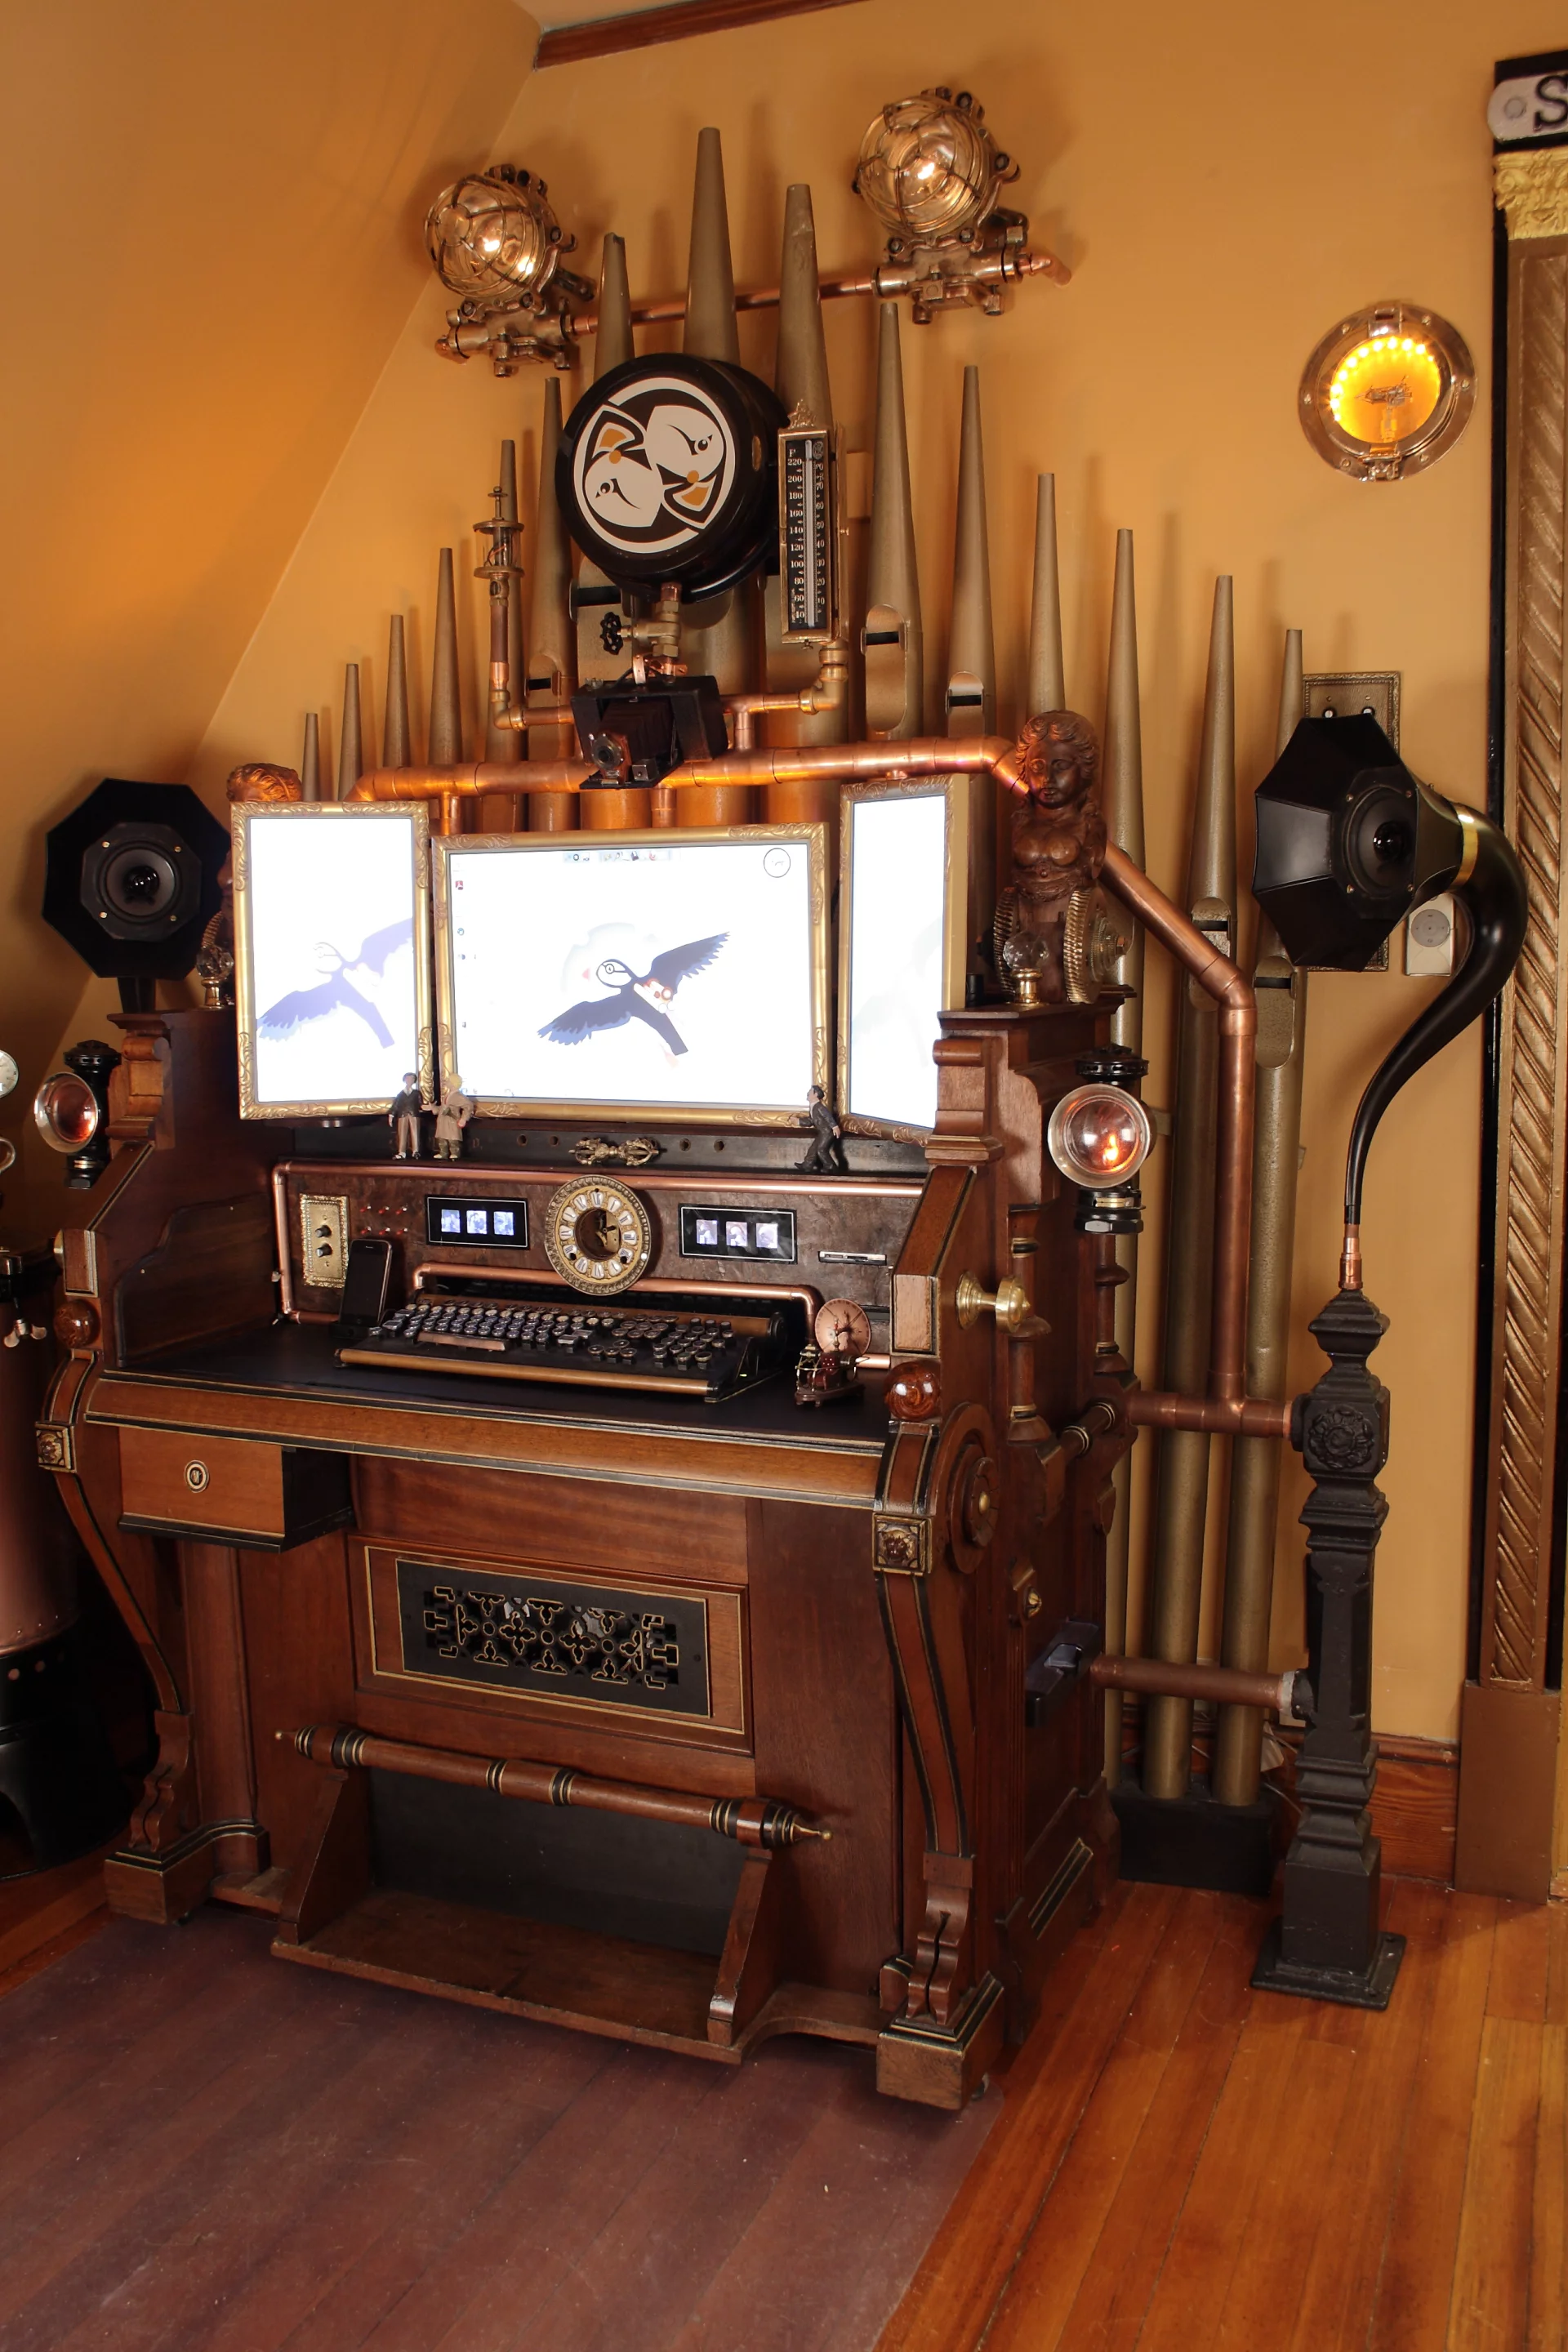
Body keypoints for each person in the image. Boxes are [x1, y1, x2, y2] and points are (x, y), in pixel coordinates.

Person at [797, 1085, 846, 1175]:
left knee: (821, 1149)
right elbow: (811, 1121)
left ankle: (831, 1167)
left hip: (827, 1132)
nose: (808, 1093)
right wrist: (798, 1121)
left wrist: (835, 1127)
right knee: (813, 1149)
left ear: (815, 1095)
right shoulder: (813, 1106)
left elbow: (828, 1117)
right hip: (822, 1132)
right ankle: (807, 1165)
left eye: (810, 1092)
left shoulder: (819, 1107)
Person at [433, 1077, 474, 1162]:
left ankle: (455, 1153)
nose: (446, 1082)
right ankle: (443, 1153)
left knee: (453, 1137)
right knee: (442, 1136)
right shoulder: (447, 1095)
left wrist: (464, 1119)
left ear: (453, 1083)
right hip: (443, 1119)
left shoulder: (459, 1096)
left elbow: (469, 1106)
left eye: (448, 1081)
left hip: (452, 1119)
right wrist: (434, 1108)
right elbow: (442, 1108)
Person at [390, 1072, 422, 1160]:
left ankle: (416, 1151)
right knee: (402, 1133)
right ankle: (402, 1152)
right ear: (404, 1080)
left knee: (415, 1133)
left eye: (411, 1079)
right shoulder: (400, 1094)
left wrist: (430, 1107)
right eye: (408, 1078)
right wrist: (391, 1115)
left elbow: (421, 1104)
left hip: (414, 1114)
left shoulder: (416, 1093)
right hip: (402, 1114)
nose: (409, 1080)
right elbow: (395, 1105)